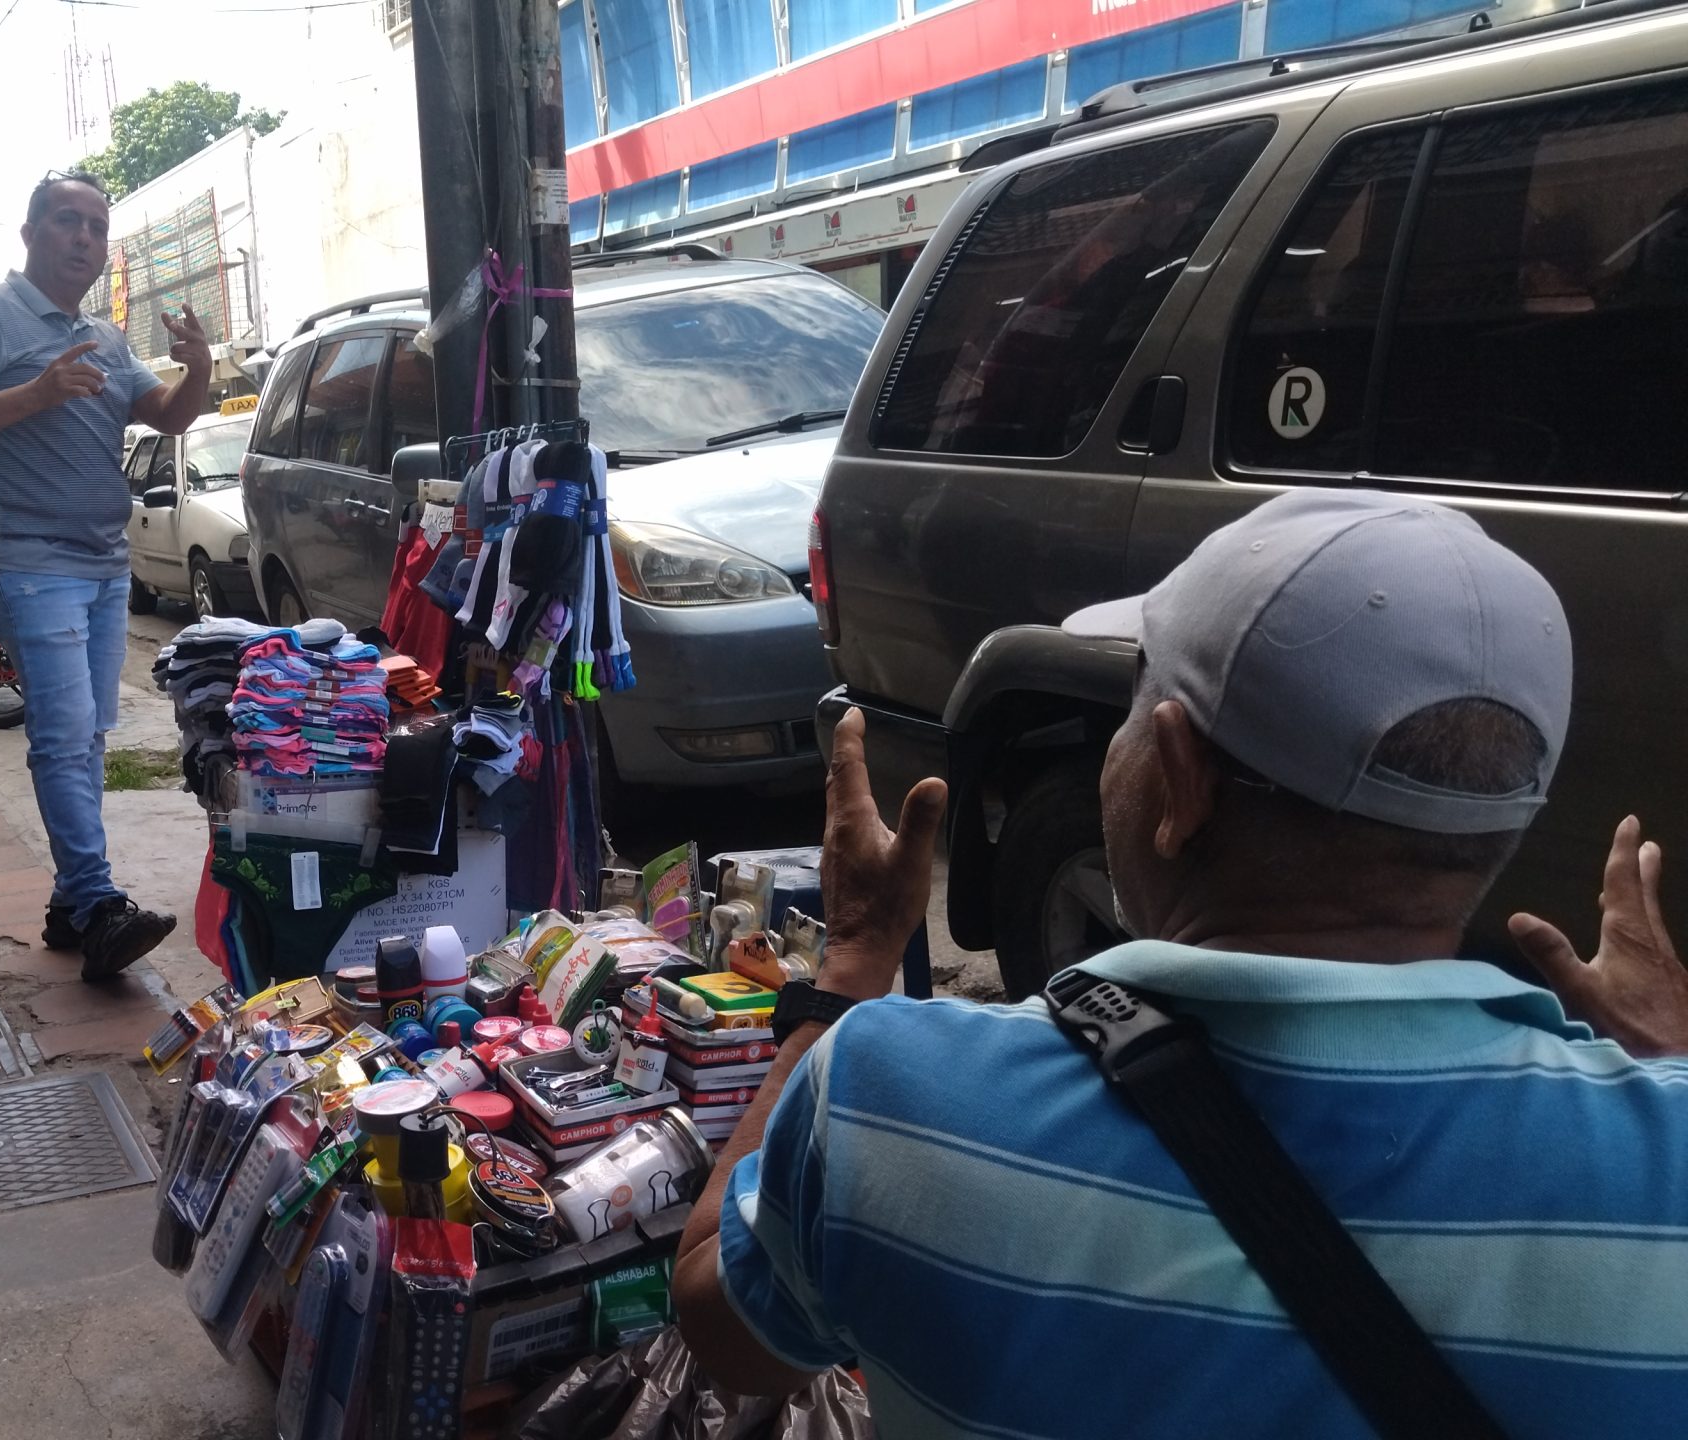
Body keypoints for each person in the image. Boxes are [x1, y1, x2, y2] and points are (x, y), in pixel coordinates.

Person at [674, 490, 1688, 1435]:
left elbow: (723, 1328)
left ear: (1180, 776)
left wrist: (844, 973)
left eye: (1124, 716)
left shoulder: (890, 1095)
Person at [0, 170, 217, 981]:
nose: (83, 237)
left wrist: (199, 370)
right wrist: (37, 391)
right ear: (31, 233)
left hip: (102, 563)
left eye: (95, 224)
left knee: (86, 734)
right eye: (65, 220)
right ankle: (96, 898)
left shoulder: (107, 338)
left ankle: (70, 907)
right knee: (62, 730)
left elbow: (166, 416)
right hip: (29, 558)